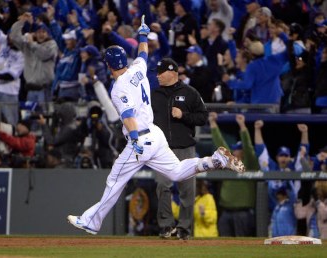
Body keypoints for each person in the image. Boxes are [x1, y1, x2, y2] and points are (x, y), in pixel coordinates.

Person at [67, 16, 245, 235]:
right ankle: (215, 160)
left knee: (115, 179)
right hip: (156, 134)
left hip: (140, 136)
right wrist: (142, 34)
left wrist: (133, 138)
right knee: (178, 173)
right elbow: (143, 53)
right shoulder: (138, 69)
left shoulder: (118, 88)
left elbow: (129, 115)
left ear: (109, 65)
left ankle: (91, 222)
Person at [151, 57, 208, 240]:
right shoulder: (154, 95)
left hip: (185, 148)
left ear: (173, 72)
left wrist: (183, 115)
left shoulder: (190, 93)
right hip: (162, 150)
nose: (158, 75)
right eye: (157, 72)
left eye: (161, 72)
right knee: (162, 185)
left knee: (187, 190)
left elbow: (202, 117)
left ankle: (184, 228)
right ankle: (166, 226)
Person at [208, 112, 259, 237]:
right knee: (224, 245)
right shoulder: (229, 162)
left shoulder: (250, 162)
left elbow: (248, 146)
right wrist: (212, 123)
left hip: (243, 212)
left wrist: (242, 126)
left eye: (238, 149)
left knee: (242, 245)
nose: (235, 152)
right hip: (225, 211)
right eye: (234, 149)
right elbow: (220, 144)